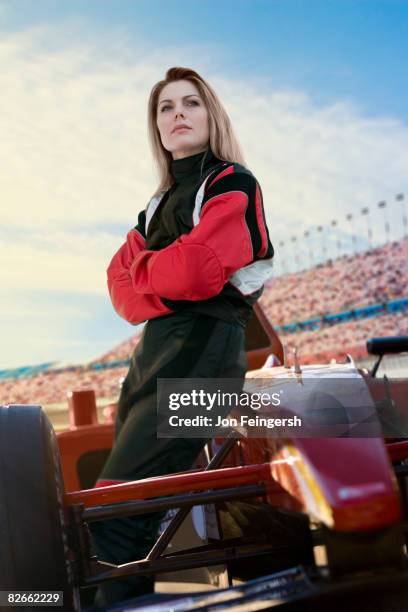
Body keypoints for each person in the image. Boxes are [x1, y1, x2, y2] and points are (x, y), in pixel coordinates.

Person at [90, 66, 274, 606]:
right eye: (166, 107)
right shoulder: (153, 206)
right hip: (153, 353)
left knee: (117, 512)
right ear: (156, 126)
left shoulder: (233, 183)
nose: (177, 115)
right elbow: (121, 294)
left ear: (210, 115)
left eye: (190, 103)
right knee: (127, 512)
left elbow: (195, 274)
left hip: (209, 356)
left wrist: (153, 271)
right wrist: (173, 273)